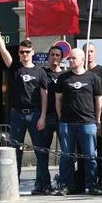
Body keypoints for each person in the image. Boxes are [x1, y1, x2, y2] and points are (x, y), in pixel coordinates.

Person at [0, 20, 49, 195]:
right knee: (15, 151)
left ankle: (42, 185)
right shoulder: (15, 68)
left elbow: (44, 95)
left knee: (41, 151)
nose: (24, 54)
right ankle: (12, 185)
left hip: (35, 113)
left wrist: (43, 117)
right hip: (17, 114)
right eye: (21, 52)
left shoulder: (40, 72)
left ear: (32, 52)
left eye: (27, 52)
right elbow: (3, 51)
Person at [55, 48, 102, 196]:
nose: (70, 60)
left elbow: (98, 100)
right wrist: (60, 117)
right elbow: (58, 99)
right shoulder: (63, 78)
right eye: (69, 58)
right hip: (67, 123)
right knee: (66, 156)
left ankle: (92, 185)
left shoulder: (93, 78)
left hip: (87, 123)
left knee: (90, 156)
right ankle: (65, 185)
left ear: (82, 60)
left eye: (73, 58)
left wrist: (97, 120)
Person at [82, 43, 102, 193]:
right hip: (82, 118)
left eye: (92, 51)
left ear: (96, 53)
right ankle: (83, 180)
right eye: (86, 52)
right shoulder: (78, 71)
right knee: (83, 152)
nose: (89, 54)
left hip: (99, 117)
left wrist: (101, 120)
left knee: (101, 151)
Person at [41, 45, 65, 193]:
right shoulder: (43, 73)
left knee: (66, 153)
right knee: (43, 152)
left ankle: (63, 182)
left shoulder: (66, 75)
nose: (54, 57)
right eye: (52, 55)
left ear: (61, 58)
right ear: (48, 57)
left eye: (57, 55)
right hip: (47, 116)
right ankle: (44, 184)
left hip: (63, 118)